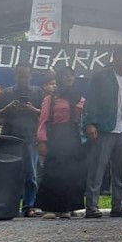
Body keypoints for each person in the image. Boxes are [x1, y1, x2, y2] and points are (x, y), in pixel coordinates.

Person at [84, 49, 122, 218]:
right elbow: (92, 100)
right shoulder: (100, 76)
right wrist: (90, 123)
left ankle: (118, 205)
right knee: (98, 167)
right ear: (115, 57)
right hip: (106, 127)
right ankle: (91, 205)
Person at [35, 66, 86, 219]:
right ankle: (50, 208)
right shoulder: (51, 99)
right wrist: (42, 140)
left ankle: (67, 208)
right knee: (53, 172)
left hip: (74, 137)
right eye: (65, 75)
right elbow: (43, 120)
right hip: (56, 136)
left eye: (71, 75)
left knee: (71, 173)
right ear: (59, 79)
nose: (68, 77)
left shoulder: (80, 98)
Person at [0, 62, 44, 217]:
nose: (23, 78)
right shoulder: (6, 93)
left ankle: (28, 206)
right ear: (15, 74)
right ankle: (8, 205)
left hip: (30, 136)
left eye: (26, 75)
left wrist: (32, 109)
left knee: (31, 174)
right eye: (20, 75)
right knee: (8, 174)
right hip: (9, 137)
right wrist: (7, 108)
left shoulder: (38, 92)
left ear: (31, 75)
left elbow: (45, 114)